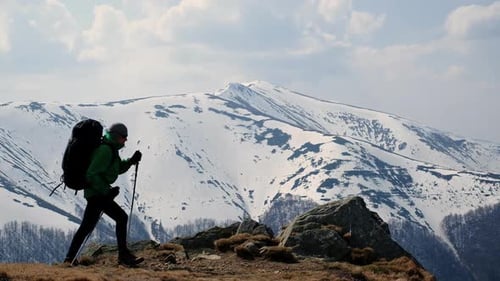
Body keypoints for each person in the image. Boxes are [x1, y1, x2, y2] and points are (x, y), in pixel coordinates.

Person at [64, 123, 143, 266]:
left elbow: (116, 169)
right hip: (97, 194)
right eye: (123, 137)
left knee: (86, 226)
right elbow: (92, 174)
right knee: (121, 217)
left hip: (96, 193)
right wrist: (108, 191)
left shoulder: (111, 149)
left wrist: (131, 161)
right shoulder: (105, 151)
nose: (125, 140)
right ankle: (124, 256)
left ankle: (69, 259)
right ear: (116, 136)